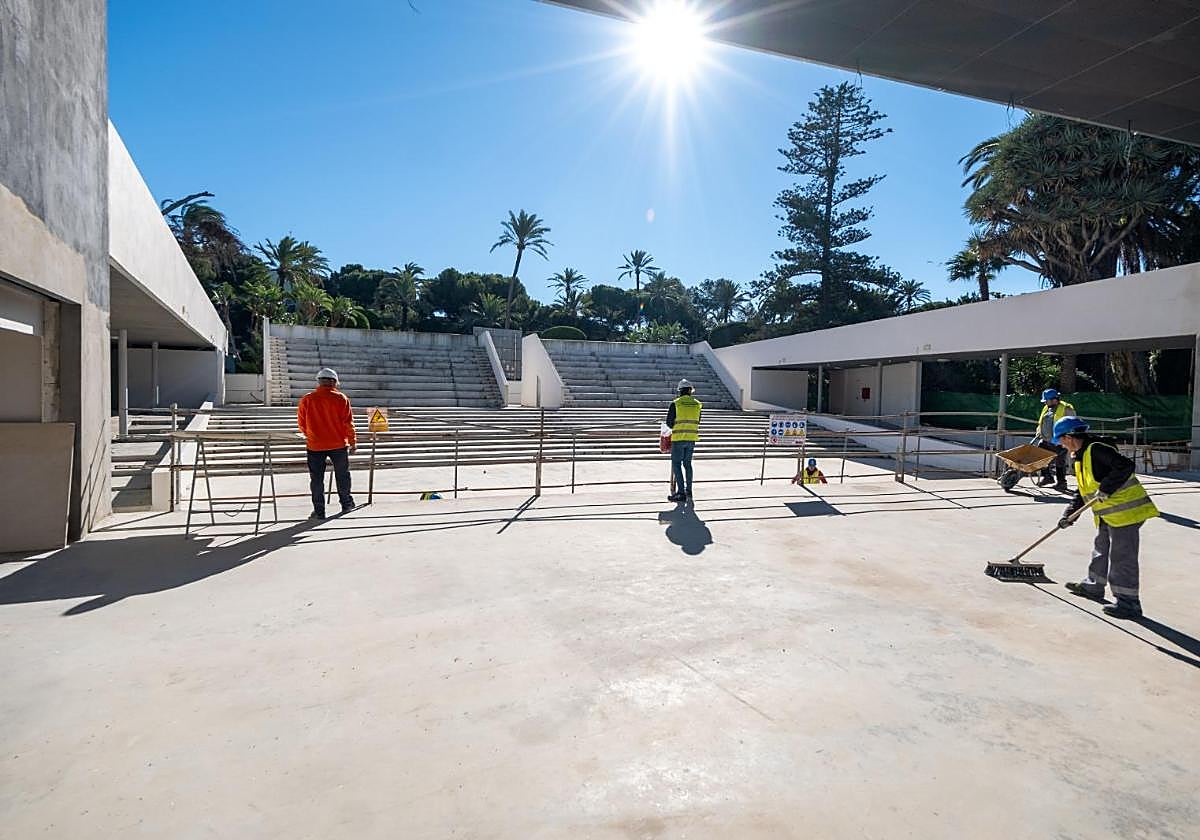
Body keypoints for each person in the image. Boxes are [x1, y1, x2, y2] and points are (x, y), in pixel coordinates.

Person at [1054, 416, 1158, 619]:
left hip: (1126, 512)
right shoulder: (1080, 456)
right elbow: (1083, 490)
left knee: (1122, 557)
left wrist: (1106, 488)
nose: (1061, 445)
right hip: (1108, 513)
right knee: (1101, 547)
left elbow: (1126, 466)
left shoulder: (1097, 449)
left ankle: (1129, 603)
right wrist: (1069, 515)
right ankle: (1093, 586)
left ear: (1069, 437)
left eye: (1061, 440)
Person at [297, 367, 357, 519]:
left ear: (319, 382)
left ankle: (319, 511)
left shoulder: (308, 399)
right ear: (334, 382)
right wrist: (353, 442)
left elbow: (301, 423)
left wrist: (310, 435)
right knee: (342, 476)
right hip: (338, 445)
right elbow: (348, 423)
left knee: (316, 479)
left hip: (315, 446)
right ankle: (346, 504)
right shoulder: (341, 398)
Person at [666, 379, 702, 503]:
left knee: (676, 464)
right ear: (690, 391)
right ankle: (689, 491)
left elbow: (669, 423)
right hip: (691, 439)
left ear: (680, 391)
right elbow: (698, 420)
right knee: (687, 464)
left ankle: (680, 493)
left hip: (678, 439)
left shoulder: (676, 403)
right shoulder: (698, 404)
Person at [1035, 388, 1075, 491]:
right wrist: (1039, 431)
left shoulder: (1066, 409)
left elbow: (1072, 425)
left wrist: (1067, 440)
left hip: (1060, 442)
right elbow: (1041, 422)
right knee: (1040, 456)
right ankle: (1048, 477)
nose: (1045, 402)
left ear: (1054, 400)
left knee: (1059, 461)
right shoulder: (1047, 408)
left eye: (1046, 400)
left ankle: (1062, 483)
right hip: (1046, 440)